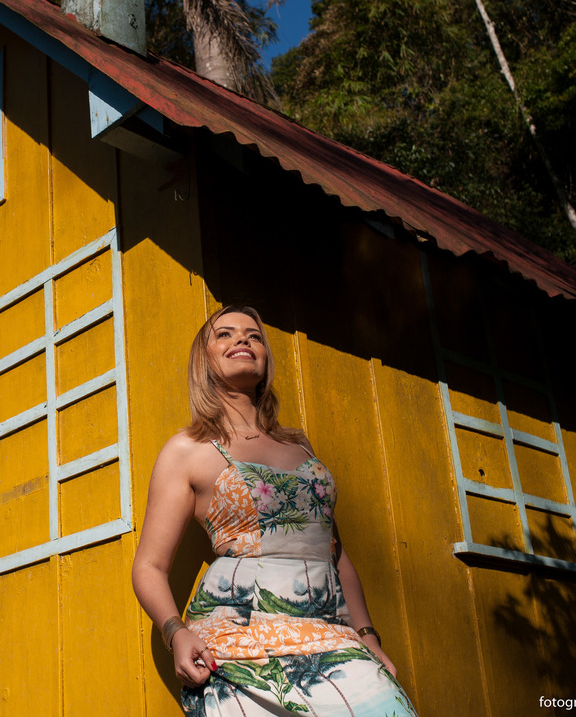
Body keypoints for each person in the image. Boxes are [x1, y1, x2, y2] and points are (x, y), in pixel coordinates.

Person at [132, 305, 418, 716]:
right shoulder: (187, 450)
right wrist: (175, 633)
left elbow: (334, 553)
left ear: (265, 358)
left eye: (254, 335)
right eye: (225, 334)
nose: (242, 340)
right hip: (235, 642)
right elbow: (149, 566)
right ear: (204, 360)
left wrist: (368, 636)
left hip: (330, 635)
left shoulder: (300, 446)